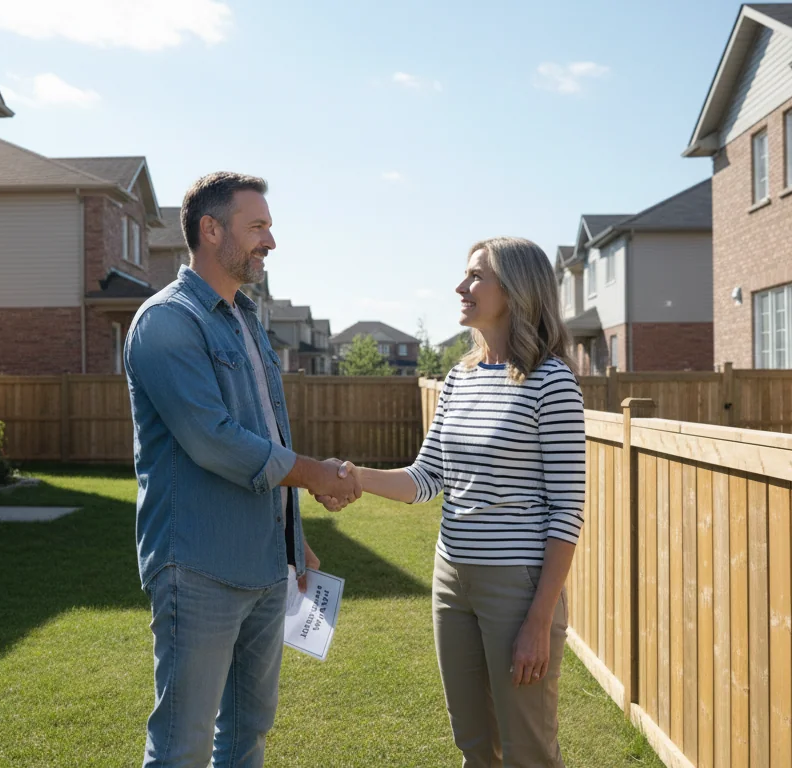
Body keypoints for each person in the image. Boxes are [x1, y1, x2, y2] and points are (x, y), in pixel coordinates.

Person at [318, 237, 586, 767]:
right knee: (473, 747)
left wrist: (539, 620)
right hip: (450, 579)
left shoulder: (551, 383)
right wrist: (354, 476)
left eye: (475, 277)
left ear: (515, 289)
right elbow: (426, 477)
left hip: (517, 586)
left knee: (528, 750)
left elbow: (567, 511)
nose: (460, 287)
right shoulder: (458, 380)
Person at [125, 171, 363, 768]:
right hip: (198, 567)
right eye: (257, 227)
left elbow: (268, 435)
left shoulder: (245, 320)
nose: (270, 242)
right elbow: (215, 442)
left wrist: (295, 538)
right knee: (183, 743)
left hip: (265, 567)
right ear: (211, 230)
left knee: (248, 733)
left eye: (269, 228)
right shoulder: (167, 322)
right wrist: (313, 473)